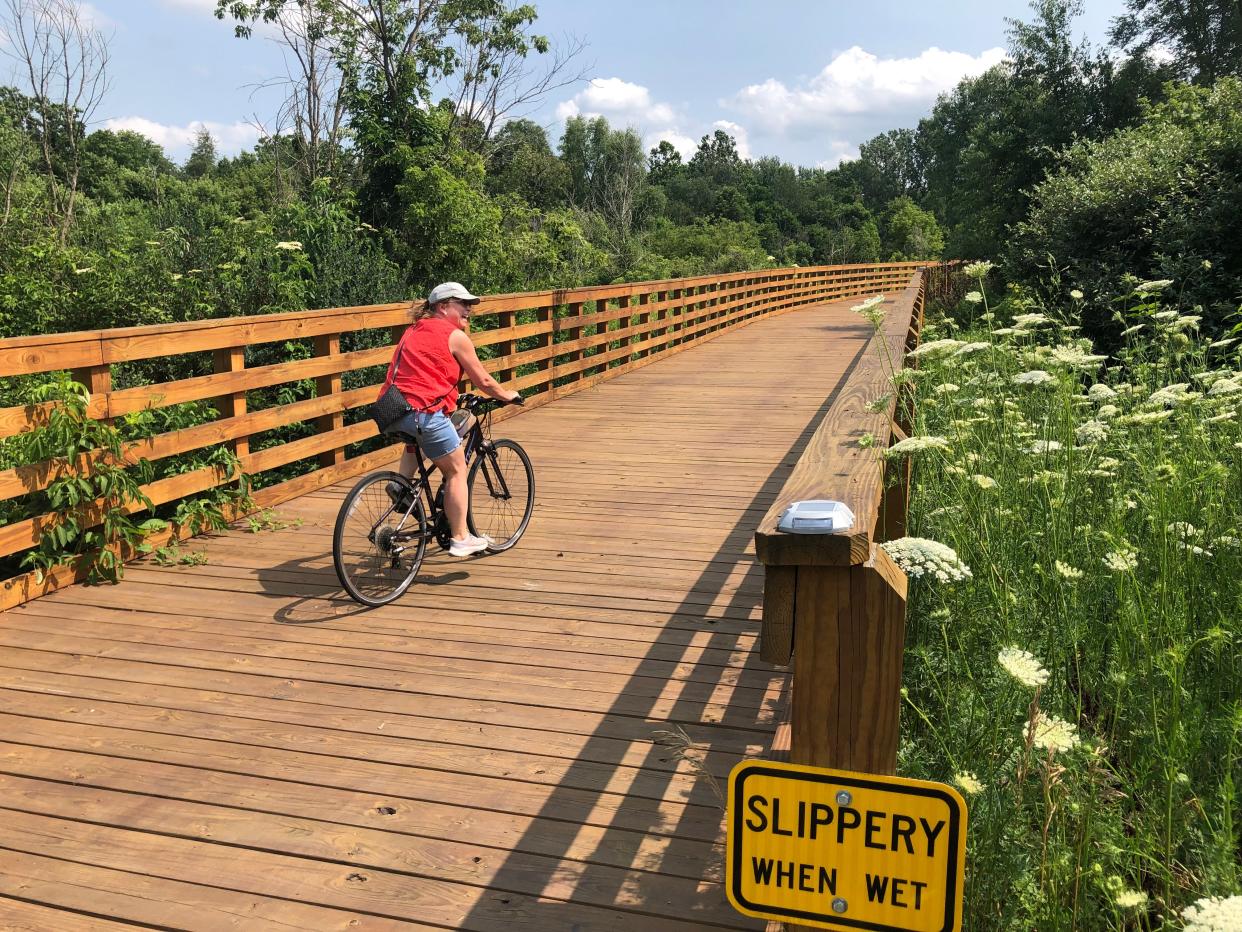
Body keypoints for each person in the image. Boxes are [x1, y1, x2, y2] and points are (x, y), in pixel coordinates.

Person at [378, 282, 521, 557]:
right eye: (462, 304)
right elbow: (484, 380)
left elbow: (422, 371)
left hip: (392, 410)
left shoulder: (413, 330)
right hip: (424, 413)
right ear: (443, 307)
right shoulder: (454, 336)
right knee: (456, 470)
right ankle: (460, 537)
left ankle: (401, 484)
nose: (469, 310)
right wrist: (506, 395)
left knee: (435, 431)